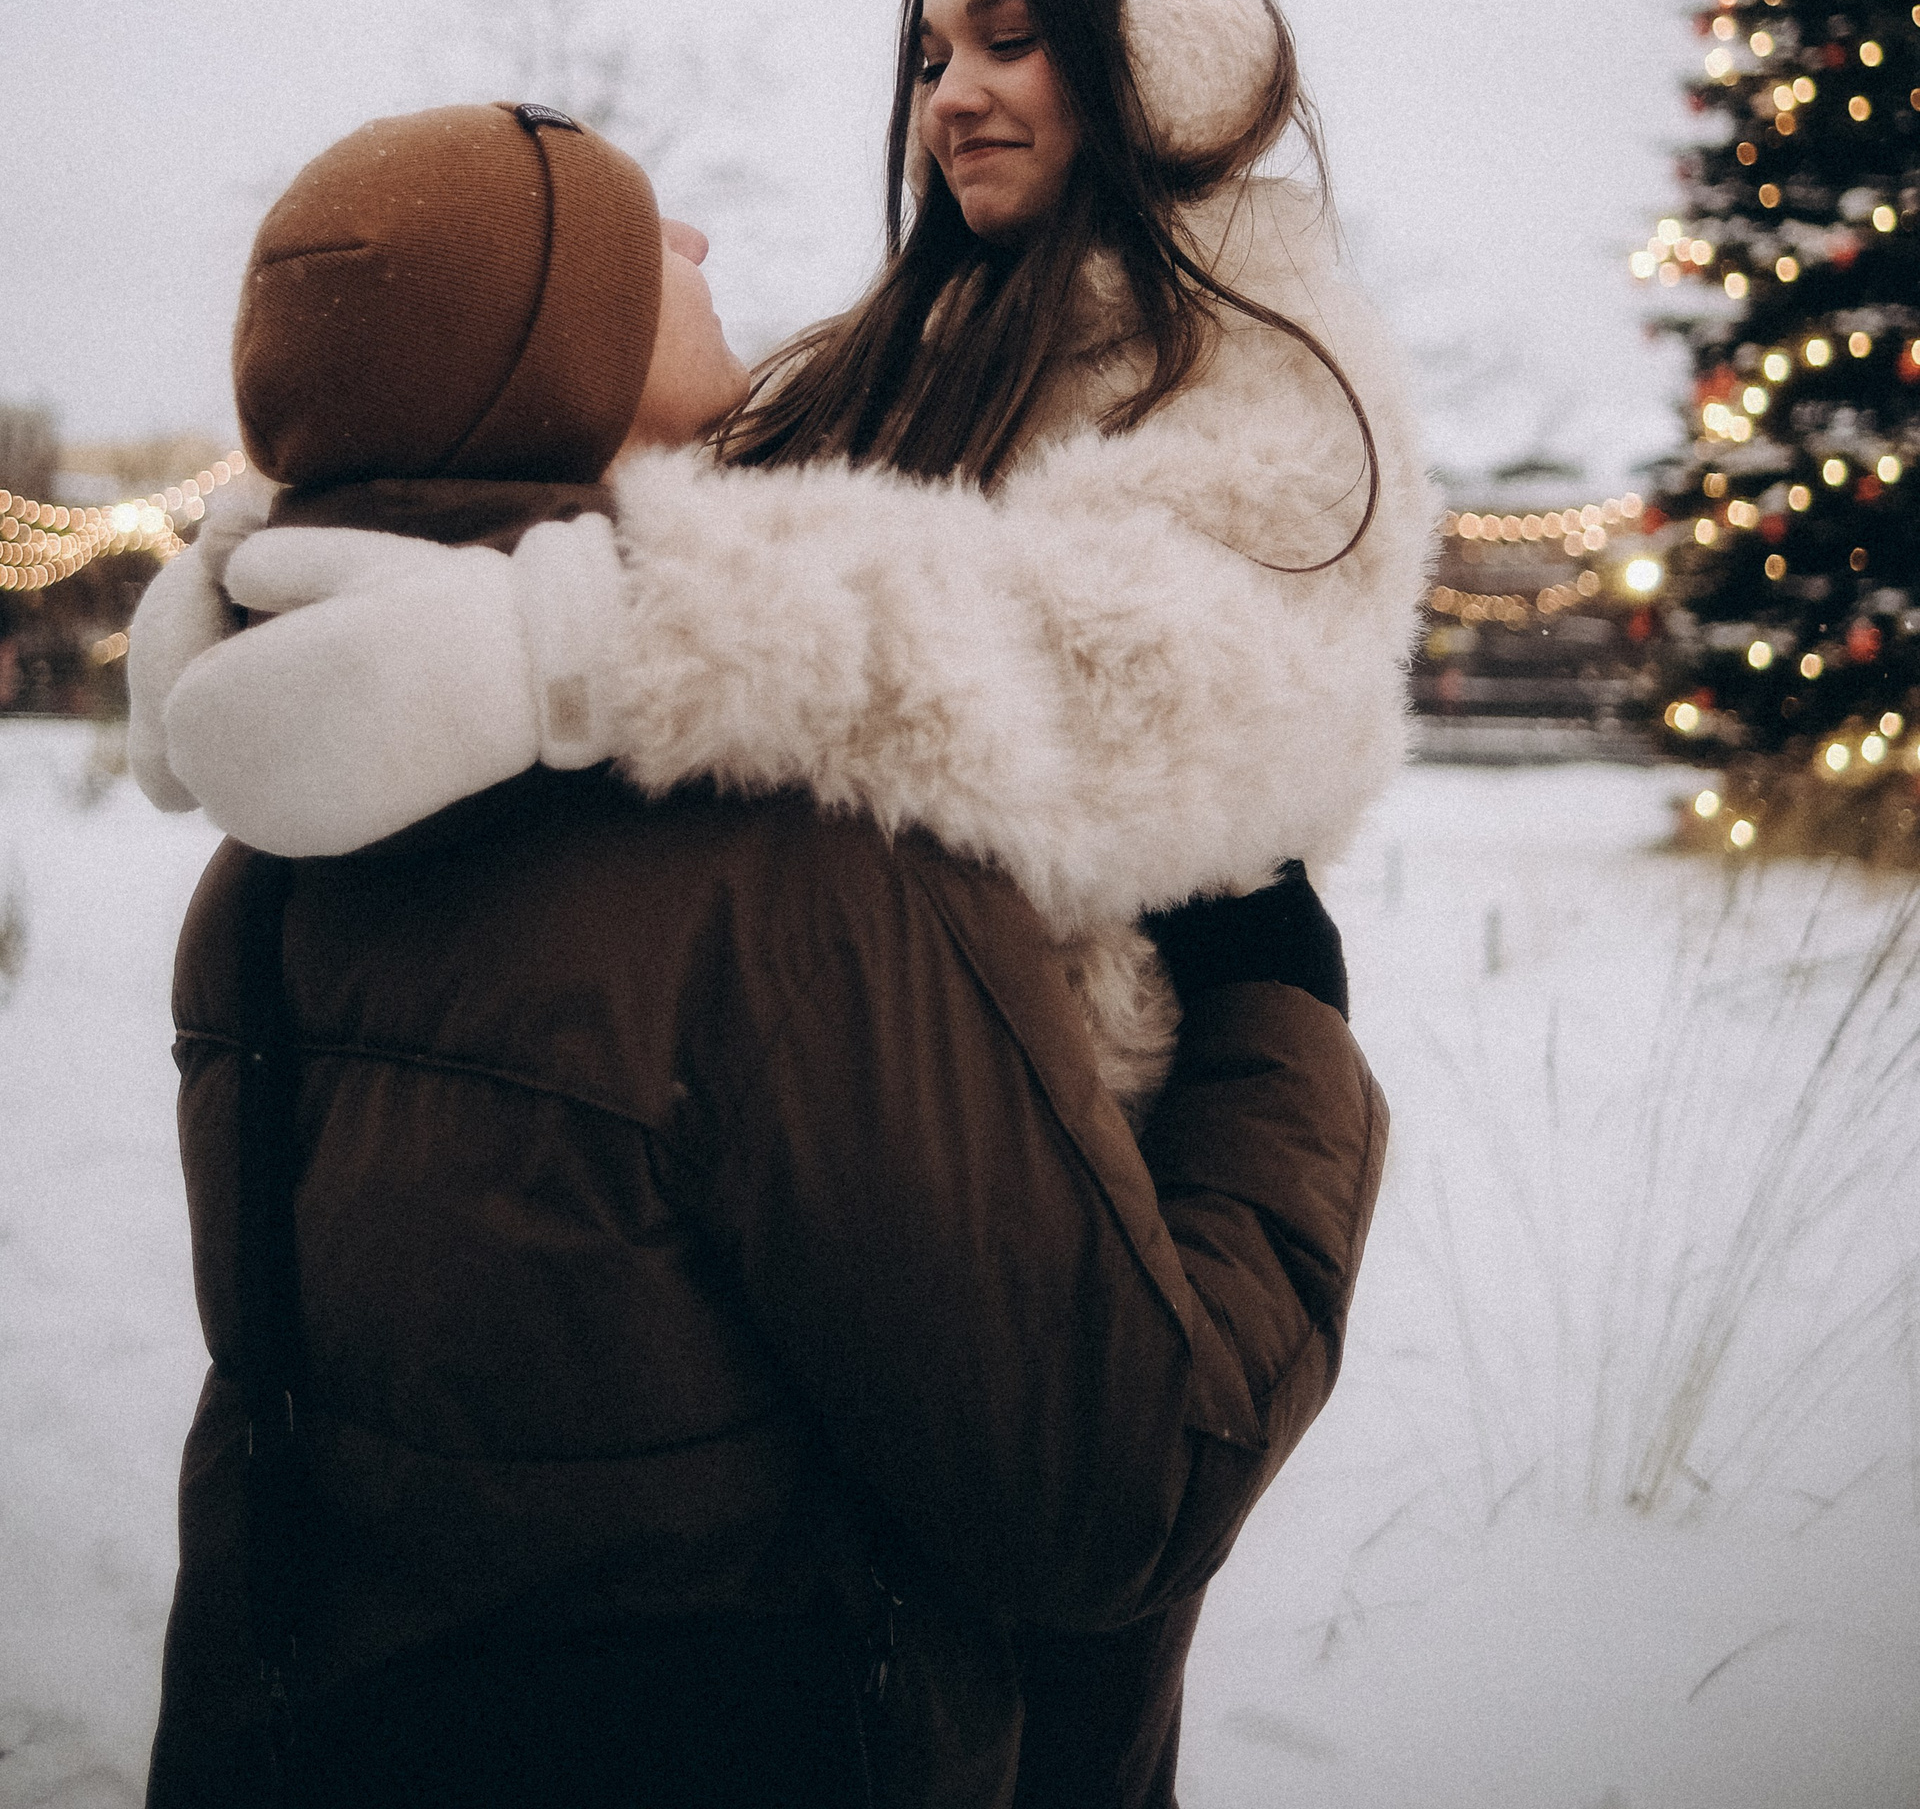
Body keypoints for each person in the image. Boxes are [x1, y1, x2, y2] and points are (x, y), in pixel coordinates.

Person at [143, 97, 1387, 1809]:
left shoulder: (276, 845)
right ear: (546, 354)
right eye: (635, 236)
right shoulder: (789, 872)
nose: (700, 242)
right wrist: (1276, 1014)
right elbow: (1109, 1495)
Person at [138, 0, 1432, 1120]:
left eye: (1010, 41)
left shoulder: (1282, 379)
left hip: (1052, 1123)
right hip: (810, 1074)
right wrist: (287, 558)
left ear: (1174, 62)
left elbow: (1111, 675)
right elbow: (605, 473)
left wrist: (580, 639)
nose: (951, 99)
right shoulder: (887, 360)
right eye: (929, 60)